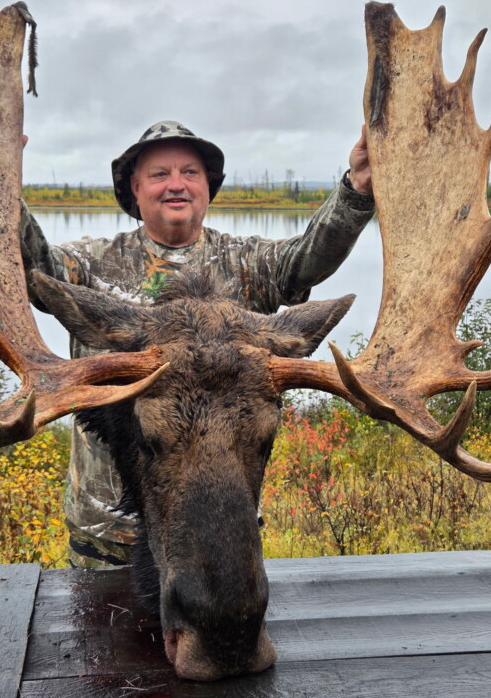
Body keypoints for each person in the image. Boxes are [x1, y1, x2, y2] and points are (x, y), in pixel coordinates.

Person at [21, 120, 374, 567]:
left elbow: (306, 259)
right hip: (108, 533)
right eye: (159, 174)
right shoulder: (90, 263)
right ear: (134, 188)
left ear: (208, 186)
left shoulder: (247, 263)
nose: (176, 184)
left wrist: (357, 190)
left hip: (220, 532)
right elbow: (36, 272)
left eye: (190, 172)